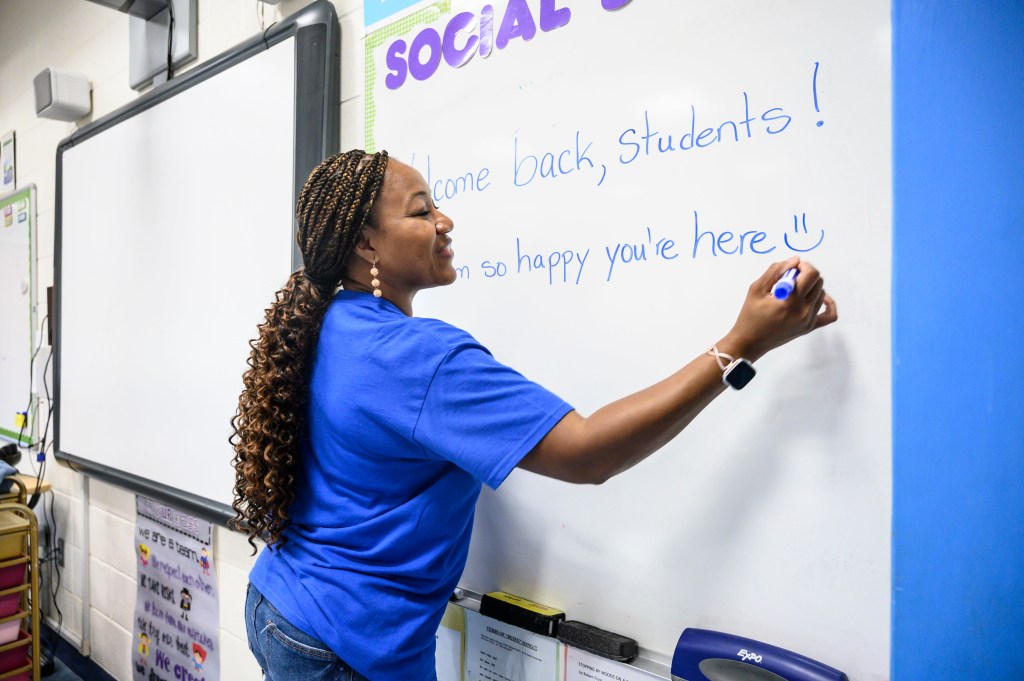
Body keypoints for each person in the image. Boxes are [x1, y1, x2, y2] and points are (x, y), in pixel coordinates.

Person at [231, 149, 837, 680]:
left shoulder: (330, 322)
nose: (445, 221)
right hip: (345, 645)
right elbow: (587, 452)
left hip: (281, 601)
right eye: (420, 212)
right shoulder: (416, 357)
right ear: (365, 243)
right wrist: (741, 343)